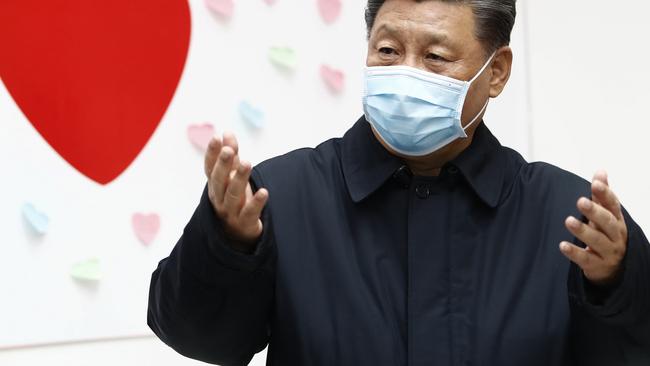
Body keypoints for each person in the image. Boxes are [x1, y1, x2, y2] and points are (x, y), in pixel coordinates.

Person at [147, 0, 650, 365]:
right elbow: (200, 339)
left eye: (435, 57)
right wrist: (228, 245)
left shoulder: (570, 218)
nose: (406, 74)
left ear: (495, 72)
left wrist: (613, 285)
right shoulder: (280, 196)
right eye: (388, 50)